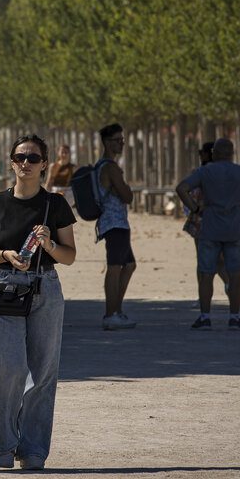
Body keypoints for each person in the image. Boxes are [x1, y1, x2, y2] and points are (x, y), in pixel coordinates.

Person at [0, 135, 77, 470]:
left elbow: (70, 256)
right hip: (5, 287)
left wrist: (48, 246)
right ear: (11, 161)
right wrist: (5, 254)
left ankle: (33, 450)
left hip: (45, 288)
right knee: (11, 368)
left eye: (33, 158)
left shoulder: (56, 205)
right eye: (20, 157)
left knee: (44, 372)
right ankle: (4, 445)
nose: (26, 164)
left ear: (44, 164)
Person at [176, 138, 240, 330]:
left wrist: (195, 208)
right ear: (232, 153)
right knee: (235, 274)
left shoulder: (204, 172)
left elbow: (182, 188)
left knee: (206, 274)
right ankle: (234, 317)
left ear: (214, 154)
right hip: (235, 227)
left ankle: (205, 316)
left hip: (210, 226)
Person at [96, 123, 137, 330]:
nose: (121, 144)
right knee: (114, 268)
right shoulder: (110, 167)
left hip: (116, 223)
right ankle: (110, 314)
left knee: (129, 265)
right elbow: (127, 195)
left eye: (122, 140)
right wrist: (126, 187)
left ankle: (116, 311)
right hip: (114, 223)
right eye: (117, 140)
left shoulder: (103, 165)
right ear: (106, 142)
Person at [186, 143, 230, 308]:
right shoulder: (225, 173)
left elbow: (188, 192)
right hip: (222, 219)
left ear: (207, 154)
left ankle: (203, 295)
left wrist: (194, 208)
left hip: (202, 220)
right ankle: (229, 283)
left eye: (200, 153)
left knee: (202, 260)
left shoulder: (200, 173)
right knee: (220, 258)